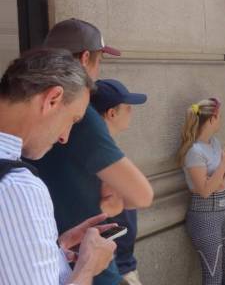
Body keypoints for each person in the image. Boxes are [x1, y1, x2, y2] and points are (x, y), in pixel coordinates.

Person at [30, 18, 154, 285]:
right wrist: (113, 202)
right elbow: (142, 194)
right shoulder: (83, 116)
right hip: (88, 268)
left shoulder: (31, 105)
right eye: (100, 61)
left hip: (43, 264)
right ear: (86, 58)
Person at [0, 48, 117, 284]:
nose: (64, 136)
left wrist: (54, 249)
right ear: (52, 99)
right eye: (72, 120)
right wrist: (88, 266)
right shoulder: (18, 187)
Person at [90, 80, 149, 285]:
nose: (131, 111)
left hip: (121, 262)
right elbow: (139, 198)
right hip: (115, 267)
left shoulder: (104, 148)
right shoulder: (97, 153)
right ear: (111, 113)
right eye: (127, 107)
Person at [178, 98, 225, 285]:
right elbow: (204, 190)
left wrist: (221, 179)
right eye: (219, 117)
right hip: (204, 216)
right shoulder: (194, 151)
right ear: (212, 119)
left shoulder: (215, 143)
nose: (221, 121)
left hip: (223, 209)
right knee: (213, 276)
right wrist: (224, 165)